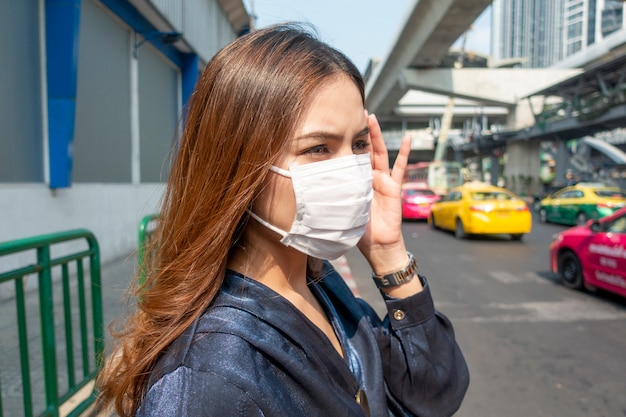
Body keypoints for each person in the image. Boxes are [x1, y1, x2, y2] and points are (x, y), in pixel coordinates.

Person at [97, 23, 469, 417]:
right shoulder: (210, 378)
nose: (350, 169)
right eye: (318, 148)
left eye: (359, 144)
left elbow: (434, 394)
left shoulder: (323, 286)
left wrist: (388, 256)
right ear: (239, 165)